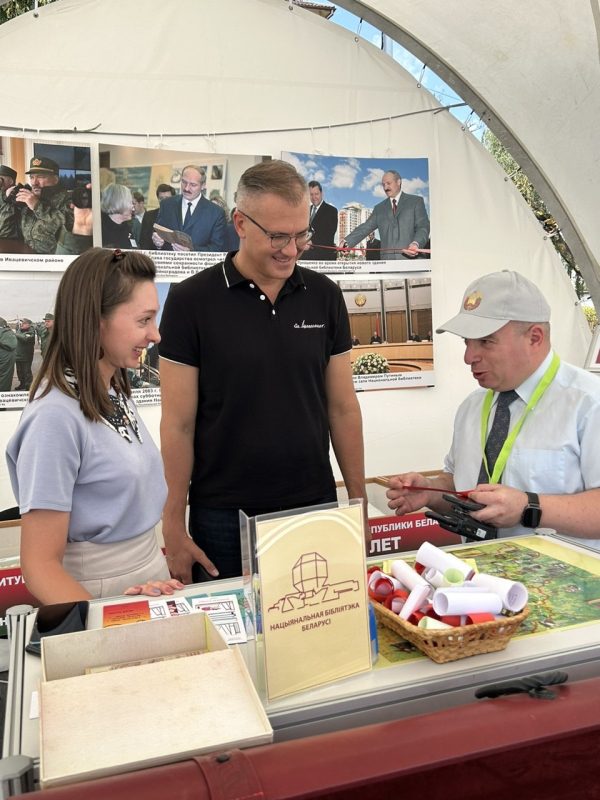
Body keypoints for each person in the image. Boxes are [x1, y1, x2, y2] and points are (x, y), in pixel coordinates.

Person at [159, 159, 367, 582]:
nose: (290, 249)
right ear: (239, 223)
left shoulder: (324, 297)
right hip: (222, 514)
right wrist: (173, 523)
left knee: (315, 634)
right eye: (276, 236)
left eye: (300, 235)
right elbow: (177, 424)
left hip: (314, 505)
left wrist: (358, 504)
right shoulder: (190, 302)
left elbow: (343, 408)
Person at [6, 248, 183, 603]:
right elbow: (40, 565)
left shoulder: (113, 386)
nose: (155, 335)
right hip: (98, 593)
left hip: (147, 578)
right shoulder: (54, 416)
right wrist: (108, 619)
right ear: (95, 320)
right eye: (143, 320)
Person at [386, 269, 600, 550]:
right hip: (482, 583)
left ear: (535, 337)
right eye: (467, 342)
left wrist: (529, 508)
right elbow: (461, 483)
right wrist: (430, 491)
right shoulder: (472, 407)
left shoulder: (589, 403)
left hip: (568, 588)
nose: (468, 357)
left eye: (486, 341)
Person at [341, 170, 430, 260]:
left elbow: (423, 226)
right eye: (383, 185)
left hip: (413, 264)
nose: (385, 187)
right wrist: (347, 241)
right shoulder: (379, 208)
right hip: (387, 265)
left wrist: (416, 243)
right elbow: (365, 227)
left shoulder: (416, 201)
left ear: (398, 182)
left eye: (388, 183)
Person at [0, 156, 76, 254]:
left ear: (55, 179)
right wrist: (9, 203)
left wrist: (37, 206)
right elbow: (5, 233)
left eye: (41, 177)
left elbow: (67, 226)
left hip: (54, 261)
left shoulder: (69, 199)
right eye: (32, 177)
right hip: (27, 256)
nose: (34, 183)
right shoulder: (29, 197)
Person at [152, 165, 226, 253]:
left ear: (203, 186)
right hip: (168, 264)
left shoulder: (216, 213)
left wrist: (191, 250)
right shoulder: (167, 204)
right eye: (184, 182)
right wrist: (157, 243)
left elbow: (217, 248)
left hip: (197, 266)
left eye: (193, 185)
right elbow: (158, 232)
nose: (186, 188)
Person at [300, 180, 338, 262]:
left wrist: (311, 242)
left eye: (316, 194)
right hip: (304, 254)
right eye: (311, 194)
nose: (314, 197)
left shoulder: (331, 211)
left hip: (324, 256)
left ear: (321, 193)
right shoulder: (306, 211)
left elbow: (329, 234)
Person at [138, 183, 176, 250]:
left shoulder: (179, 217)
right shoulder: (148, 216)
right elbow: (143, 241)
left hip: (171, 257)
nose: (164, 201)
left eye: (167, 198)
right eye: (161, 198)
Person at [101, 183, 135, 249]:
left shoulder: (126, 227)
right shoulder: (100, 229)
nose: (133, 208)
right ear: (119, 202)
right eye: (131, 202)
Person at [14, 317, 35, 391]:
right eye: (22, 323)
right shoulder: (19, 330)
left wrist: (16, 334)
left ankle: (29, 386)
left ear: (29, 325)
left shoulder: (31, 332)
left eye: (24, 323)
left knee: (27, 372)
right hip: (18, 356)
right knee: (19, 371)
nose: (22, 324)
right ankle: (22, 384)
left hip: (26, 356)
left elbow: (25, 338)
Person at [0, 317, 17, 392]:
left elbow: (11, 345)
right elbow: (12, 344)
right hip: (5, 360)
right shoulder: (6, 332)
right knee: (5, 378)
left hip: (5, 359)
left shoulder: (5, 332)